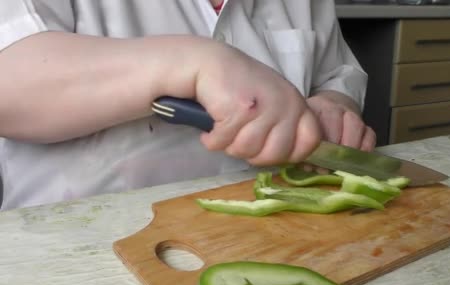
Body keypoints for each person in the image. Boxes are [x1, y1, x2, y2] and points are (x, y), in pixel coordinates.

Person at [0, 0, 375, 210]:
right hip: (78, 261)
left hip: (275, 235)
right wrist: (193, 62)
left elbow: (336, 72)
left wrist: (333, 104)